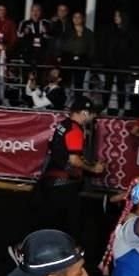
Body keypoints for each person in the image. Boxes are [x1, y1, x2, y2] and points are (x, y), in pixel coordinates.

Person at [31, 97, 104, 239]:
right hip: (63, 184)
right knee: (70, 226)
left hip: (50, 180)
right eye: (92, 113)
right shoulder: (75, 130)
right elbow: (74, 160)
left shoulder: (62, 125)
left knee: (47, 223)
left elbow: (62, 152)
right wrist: (93, 168)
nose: (93, 116)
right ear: (84, 112)